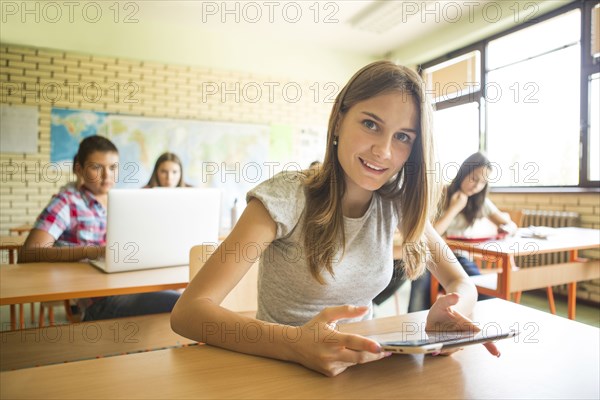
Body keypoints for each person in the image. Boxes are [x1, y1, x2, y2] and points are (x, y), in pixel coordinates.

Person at [171, 61, 499, 377]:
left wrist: (455, 309)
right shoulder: (285, 196)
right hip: (279, 370)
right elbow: (189, 313)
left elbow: (462, 282)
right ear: (340, 120)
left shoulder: (394, 202)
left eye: (403, 137)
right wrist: (296, 345)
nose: (383, 151)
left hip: (362, 369)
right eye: (371, 124)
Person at [20, 136, 180, 321]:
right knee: (182, 303)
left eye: (113, 168)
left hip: (130, 283)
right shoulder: (67, 201)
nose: (107, 176)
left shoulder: (120, 200)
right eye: (97, 167)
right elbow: (29, 252)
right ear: (78, 169)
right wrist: (93, 251)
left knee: (193, 295)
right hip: (99, 300)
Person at [408, 152, 517, 311]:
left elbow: (509, 224)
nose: (476, 186)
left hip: (459, 257)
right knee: (419, 293)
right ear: (463, 173)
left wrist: (508, 228)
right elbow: (428, 235)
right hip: (432, 255)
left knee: (487, 293)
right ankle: (416, 333)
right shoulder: (440, 194)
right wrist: (454, 209)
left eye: (482, 182)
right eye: (474, 178)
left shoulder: (479, 202)